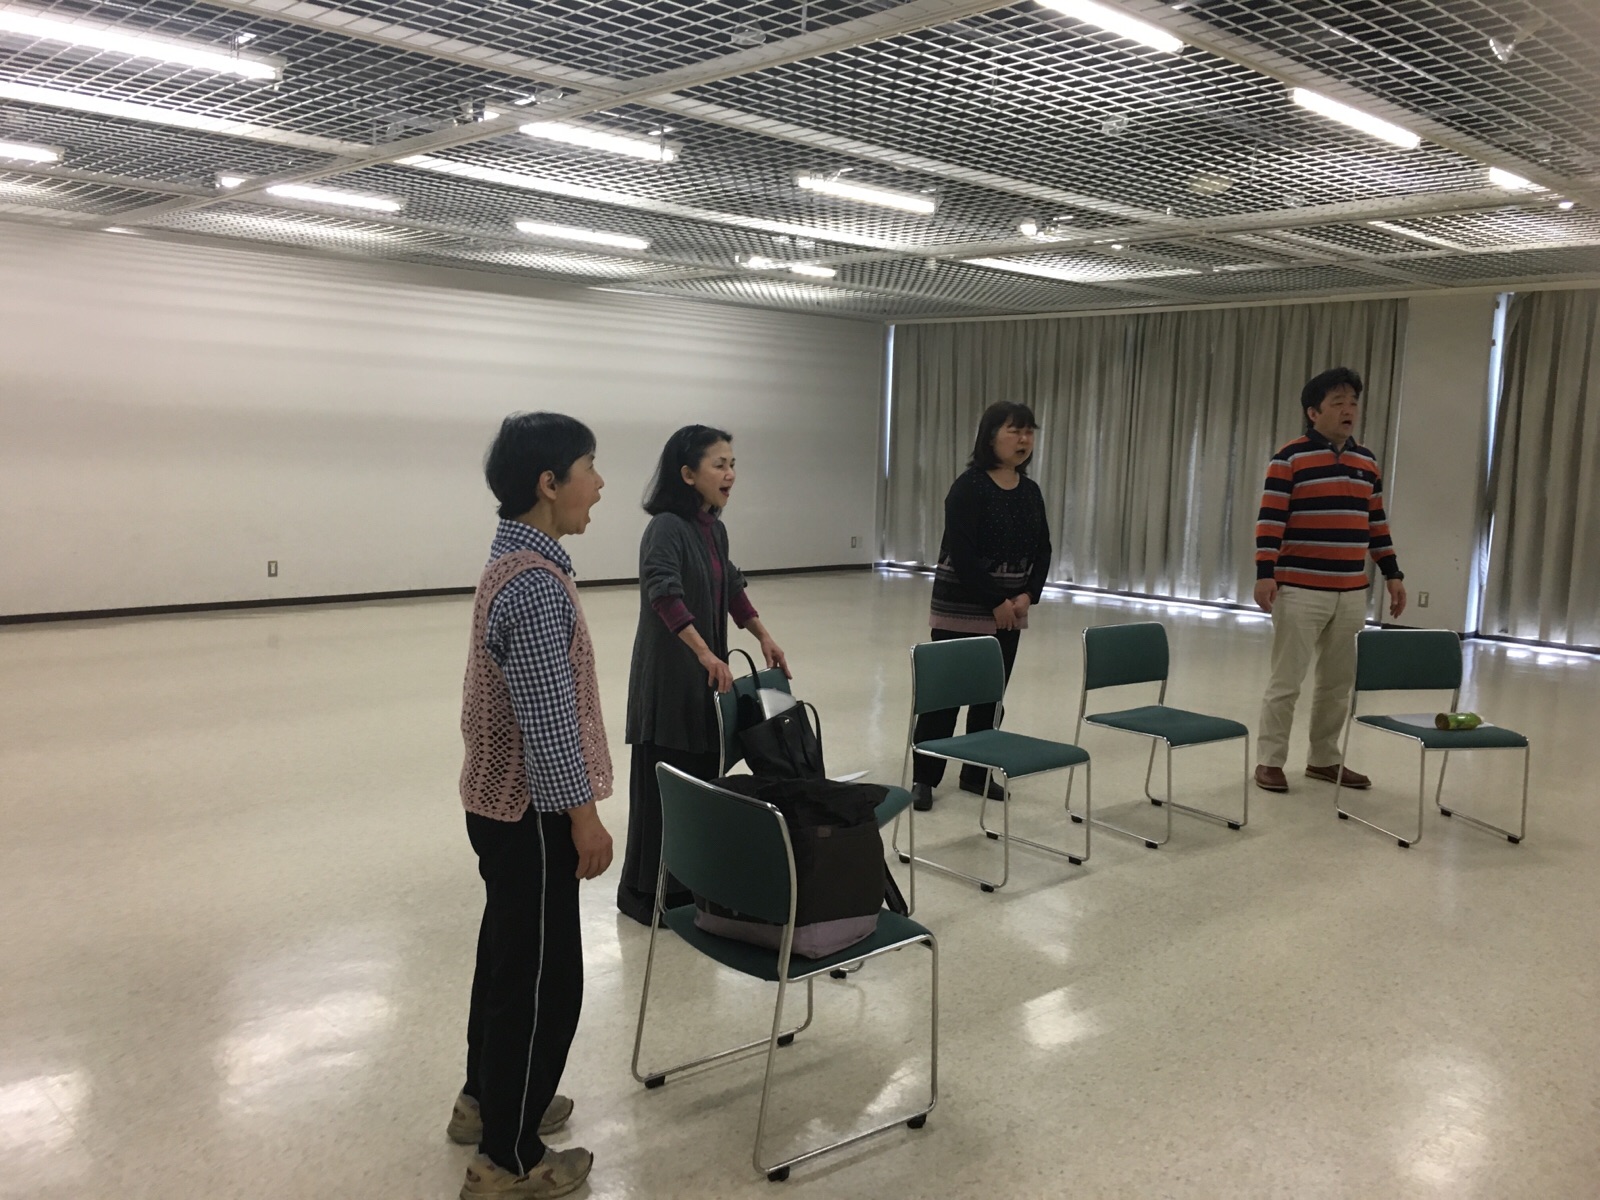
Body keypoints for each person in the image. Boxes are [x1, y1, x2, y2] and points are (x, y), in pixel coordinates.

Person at [449, 412, 615, 1200]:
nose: (600, 485)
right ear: (549, 483)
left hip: (498, 805)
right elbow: (548, 723)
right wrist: (583, 817)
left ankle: (485, 1101)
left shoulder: (511, 561)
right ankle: (508, 1158)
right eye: (589, 467)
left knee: (507, 958)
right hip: (534, 814)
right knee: (544, 982)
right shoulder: (536, 586)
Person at [617, 425, 790, 925]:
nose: (730, 474)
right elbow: (664, 595)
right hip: (669, 680)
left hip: (704, 681)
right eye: (719, 464)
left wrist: (763, 636)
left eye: (733, 464)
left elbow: (731, 587)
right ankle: (646, 896)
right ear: (688, 474)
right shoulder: (666, 528)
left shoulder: (714, 527)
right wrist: (704, 653)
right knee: (665, 788)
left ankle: (689, 886)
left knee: (699, 782)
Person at [1253, 366, 1407, 794]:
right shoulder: (1289, 459)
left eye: (1353, 402)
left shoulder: (1366, 461)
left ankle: (1324, 758)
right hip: (1300, 590)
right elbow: (1270, 521)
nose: (1348, 410)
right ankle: (1270, 761)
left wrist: (1392, 573)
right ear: (1313, 412)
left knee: (1337, 685)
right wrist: (1265, 574)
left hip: (1351, 591)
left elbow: (1376, 523)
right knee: (1287, 682)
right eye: (1337, 402)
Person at [911, 401, 1051, 811]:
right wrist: (995, 601)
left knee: (990, 697)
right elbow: (963, 553)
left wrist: (1028, 595)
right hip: (962, 608)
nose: (1024, 439)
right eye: (1015, 431)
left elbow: (1043, 549)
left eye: (1029, 432)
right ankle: (925, 777)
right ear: (990, 437)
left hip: (1010, 612)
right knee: (945, 699)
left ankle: (976, 771)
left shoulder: (1030, 491)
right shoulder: (968, 487)